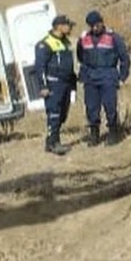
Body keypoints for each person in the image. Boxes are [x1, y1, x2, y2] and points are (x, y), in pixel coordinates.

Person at [76, 10, 130, 146]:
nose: (95, 28)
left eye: (97, 24)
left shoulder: (113, 37)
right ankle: (94, 134)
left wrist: (122, 76)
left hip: (108, 76)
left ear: (102, 22)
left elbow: (124, 58)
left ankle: (113, 132)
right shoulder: (84, 39)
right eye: (92, 26)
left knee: (110, 106)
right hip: (90, 77)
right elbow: (80, 56)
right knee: (91, 108)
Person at [33, 14, 77, 155]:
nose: (70, 28)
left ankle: (50, 141)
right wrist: (43, 86)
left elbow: (69, 65)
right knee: (54, 113)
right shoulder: (45, 44)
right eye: (68, 25)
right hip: (53, 83)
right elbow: (40, 67)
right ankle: (54, 143)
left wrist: (73, 82)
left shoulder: (65, 42)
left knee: (62, 114)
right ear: (59, 26)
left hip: (65, 83)